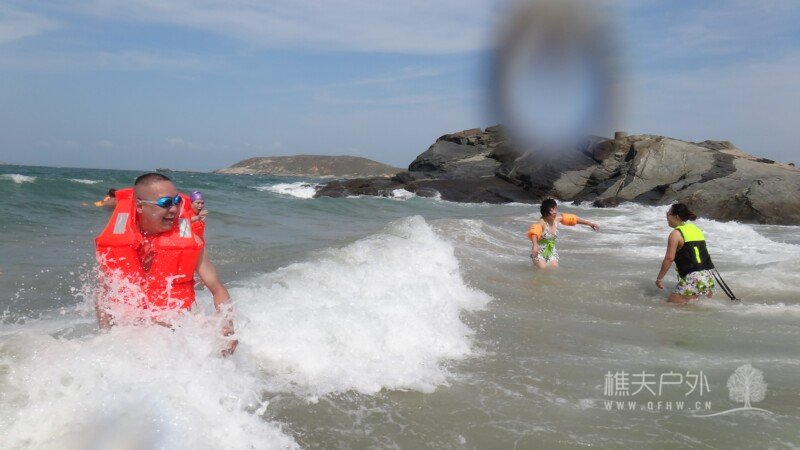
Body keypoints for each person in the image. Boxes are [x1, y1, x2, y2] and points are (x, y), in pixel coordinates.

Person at [94, 173, 237, 356]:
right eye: (165, 203)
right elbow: (104, 292)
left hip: (176, 335)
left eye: (177, 201)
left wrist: (227, 326)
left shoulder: (191, 241)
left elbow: (217, 289)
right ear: (140, 206)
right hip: (129, 337)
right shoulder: (116, 243)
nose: (174, 209)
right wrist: (106, 336)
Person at [655, 203, 716, 304]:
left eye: (668, 214)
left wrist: (659, 278)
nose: (667, 217)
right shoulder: (696, 229)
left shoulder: (676, 234)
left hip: (693, 276)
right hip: (708, 276)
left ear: (676, 216)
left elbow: (669, 258)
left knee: (669, 306)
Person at [526, 199, 600, 268]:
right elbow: (534, 233)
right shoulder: (541, 223)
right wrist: (535, 245)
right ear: (545, 212)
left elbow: (574, 219)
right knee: (542, 269)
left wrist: (590, 224)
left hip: (551, 251)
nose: (554, 212)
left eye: (555, 209)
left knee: (554, 268)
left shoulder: (557, 219)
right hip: (538, 251)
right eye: (551, 210)